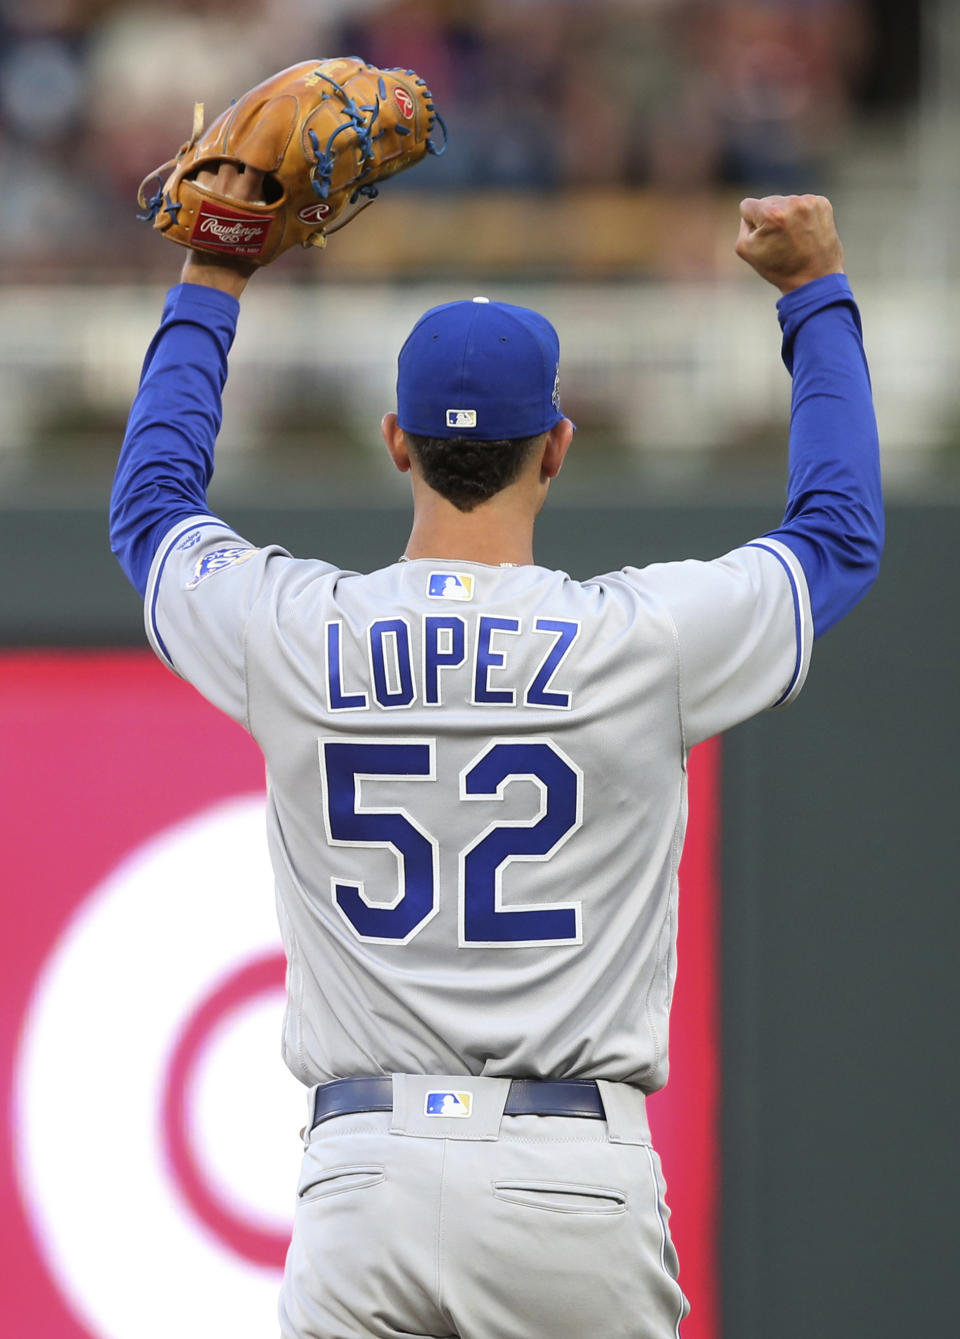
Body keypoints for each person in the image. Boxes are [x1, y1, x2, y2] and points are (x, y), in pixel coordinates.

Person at [110, 167, 882, 1339]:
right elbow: (837, 534)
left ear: (396, 444)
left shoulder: (296, 631)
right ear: (557, 446)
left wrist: (215, 270)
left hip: (361, 1171)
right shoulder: (645, 641)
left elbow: (152, 513)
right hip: (570, 1174)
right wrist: (815, 294)